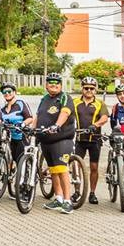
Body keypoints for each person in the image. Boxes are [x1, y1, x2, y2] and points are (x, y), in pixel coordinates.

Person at [35, 72, 76, 214]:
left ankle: (67, 201)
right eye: (51, 82)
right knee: (53, 170)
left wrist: (57, 125)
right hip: (46, 139)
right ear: (46, 85)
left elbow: (65, 112)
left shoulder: (65, 97)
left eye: (57, 82)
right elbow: (38, 116)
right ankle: (58, 198)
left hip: (61, 139)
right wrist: (32, 129)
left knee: (61, 169)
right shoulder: (44, 99)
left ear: (61, 85)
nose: (54, 85)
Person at [73, 76, 110, 205]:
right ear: (82, 89)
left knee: (94, 167)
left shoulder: (100, 103)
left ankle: (92, 193)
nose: (89, 90)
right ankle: (77, 191)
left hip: (94, 139)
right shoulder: (74, 102)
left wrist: (95, 125)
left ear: (96, 90)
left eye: (92, 88)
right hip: (79, 139)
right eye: (86, 88)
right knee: (76, 165)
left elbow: (104, 118)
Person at [0, 83, 34, 164]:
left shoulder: (21, 104)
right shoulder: (3, 109)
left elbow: (30, 118)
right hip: (10, 139)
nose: (7, 93)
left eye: (9, 91)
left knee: (20, 161)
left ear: (14, 92)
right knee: (13, 159)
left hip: (21, 138)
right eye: (4, 92)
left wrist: (22, 124)